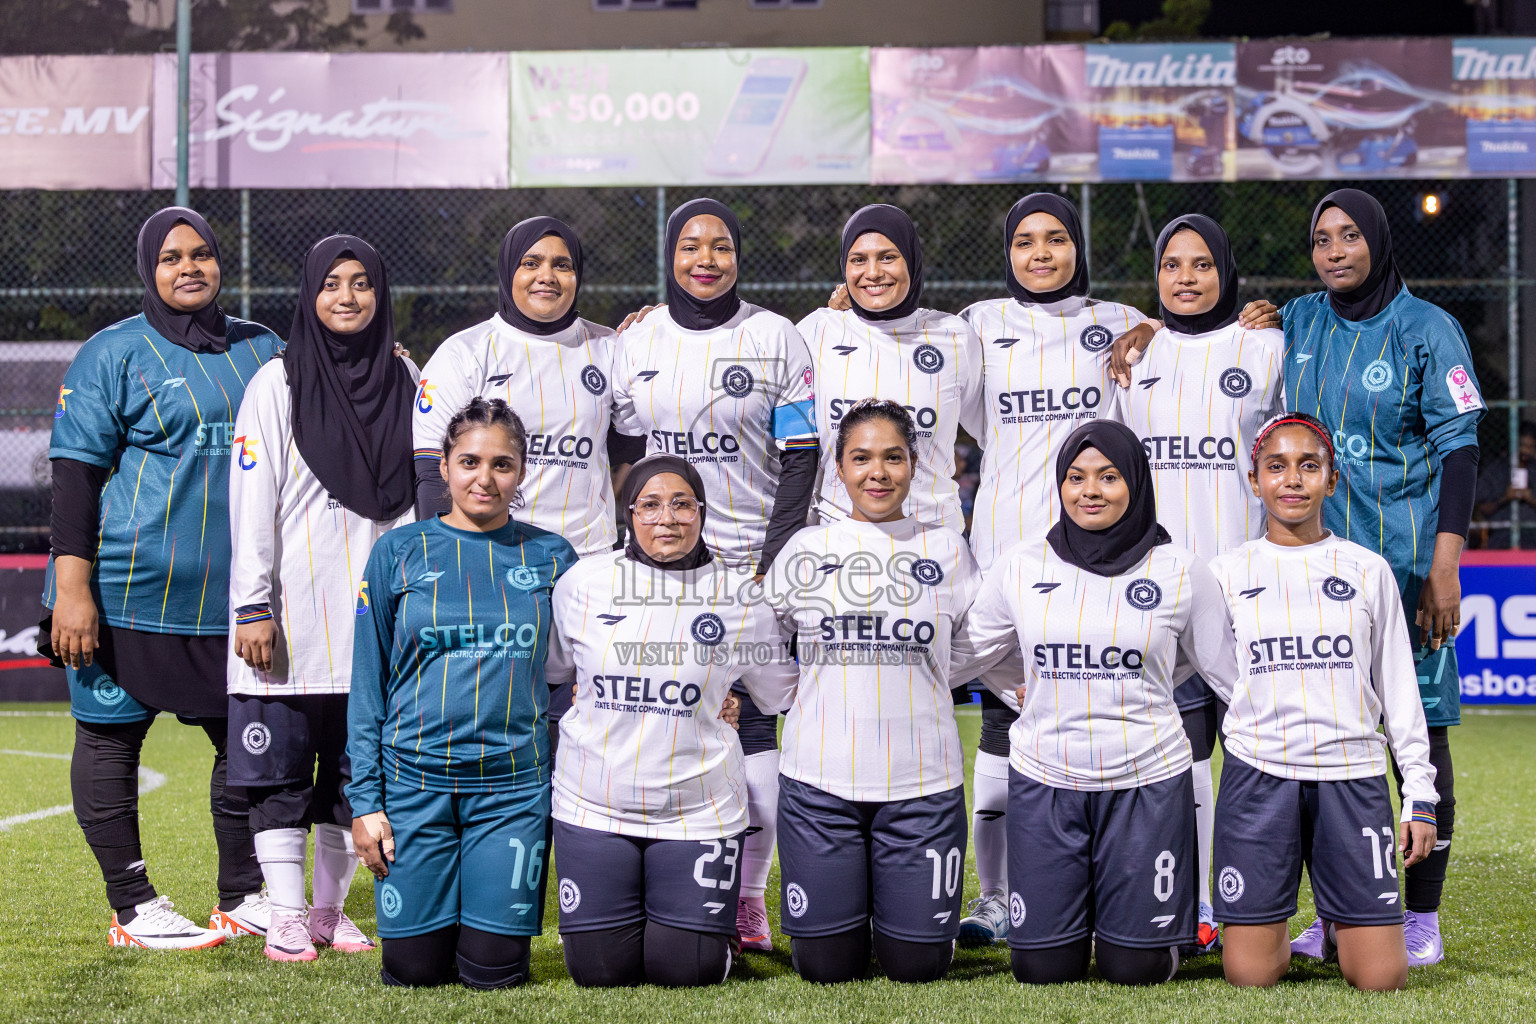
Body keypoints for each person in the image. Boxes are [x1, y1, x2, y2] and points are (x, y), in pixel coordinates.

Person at [1120, 190, 1481, 966]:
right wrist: (1152, 329)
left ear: (1380, 244)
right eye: (1322, 240)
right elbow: (1207, 344)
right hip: (1301, 567)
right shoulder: (1297, 323)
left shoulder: (1429, 330)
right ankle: (1334, 910)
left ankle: (1420, 916)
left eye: (1351, 236)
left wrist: (1447, 560)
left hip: (1407, 564)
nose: (1336, 251)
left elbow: (1461, 447)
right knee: (1315, 740)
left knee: (1417, 728)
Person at [43, 206, 282, 949]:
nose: (189, 267)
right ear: (149, 269)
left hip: (230, 601)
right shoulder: (112, 352)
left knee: (246, 743)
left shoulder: (264, 349)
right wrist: (74, 592)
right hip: (125, 594)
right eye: (172, 256)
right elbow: (76, 481)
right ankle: (134, 906)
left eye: (203, 254)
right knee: (112, 740)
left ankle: (243, 893)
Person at [953, 419, 1238, 986]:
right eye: (1077, 477)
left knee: (1135, 969)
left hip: (1147, 784)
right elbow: (963, 655)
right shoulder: (1023, 565)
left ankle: (1154, 924)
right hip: (1045, 784)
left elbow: (1229, 675)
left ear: (1135, 482)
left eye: (1108, 477)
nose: (1090, 490)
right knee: (1041, 969)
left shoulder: (1180, 570)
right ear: (1059, 485)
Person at [612, 198, 819, 951]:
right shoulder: (636, 340)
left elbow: (802, 457)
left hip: (747, 571)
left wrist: (772, 564)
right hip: (658, 567)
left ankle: (748, 900)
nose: (706, 258)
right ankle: (656, 877)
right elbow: (620, 446)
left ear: (739, 256)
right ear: (670, 256)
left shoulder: (775, 337)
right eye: (691, 245)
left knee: (756, 726)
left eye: (721, 245)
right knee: (668, 713)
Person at [953, 192, 1152, 947]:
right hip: (1005, 560)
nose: (1041, 253)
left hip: (1098, 565)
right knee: (1005, 724)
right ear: (1007, 253)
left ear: (1078, 247)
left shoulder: (1120, 322)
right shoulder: (978, 325)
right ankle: (998, 897)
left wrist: (1157, 326)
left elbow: (1187, 345)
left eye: (1056, 239)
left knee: (1100, 720)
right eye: (1025, 242)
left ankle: (1107, 886)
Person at [226, 235, 417, 962]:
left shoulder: (406, 378)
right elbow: (252, 503)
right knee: (279, 775)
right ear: (308, 296)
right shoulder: (276, 385)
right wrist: (251, 605)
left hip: (372, 622)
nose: (346, 296)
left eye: (362, 283)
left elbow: (418, 505)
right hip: (291, 618)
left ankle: (328, 912)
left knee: (354, 770)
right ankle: (282, 910)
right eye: (332, 283)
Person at [1102, 213, 1286, 955]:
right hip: (1165, 595)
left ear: (1226, 271)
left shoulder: (1266, 344)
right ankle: (1195, 903)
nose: (1186, 278)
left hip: (1248, 592)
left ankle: (1260, 906)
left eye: (1202, 264)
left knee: (1258, 761)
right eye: (1171, 265)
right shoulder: (1130, 359)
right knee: (1178, 761)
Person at [348, 397, 577, 990]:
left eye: (502, 464)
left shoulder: (553, 558)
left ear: (522, 472)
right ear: (444, 465)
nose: (485, 478)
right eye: (470, 461)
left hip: (511, 790)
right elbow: (368, 685)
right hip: (412, 785)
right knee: (413, 970)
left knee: (494, 972)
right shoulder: (397, 551)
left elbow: (587, 668)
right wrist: (366, 803)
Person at [544, 454, 797, 987]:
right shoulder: (584, 583)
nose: (667, 518)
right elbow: (557, 669)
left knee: (687, 970)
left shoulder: (740, 598)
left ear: (702, 512)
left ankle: (714, 930)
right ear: (629, 513)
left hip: (697, 810)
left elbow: (776, 694)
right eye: (651, 505)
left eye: (682, 504)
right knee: (600, 973)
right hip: (593, 805)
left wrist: (725, 698)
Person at [1207, 412, 1439, 991]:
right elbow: (1214, 673)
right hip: (1259, 776)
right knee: (1249, 975)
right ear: (1255, 479)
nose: (1292, 480)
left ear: (1332, 481)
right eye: (1276, 466)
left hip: (1351, 776)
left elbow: (1398, 689)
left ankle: (1344, 921)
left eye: (1309, 466)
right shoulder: (1226, 573)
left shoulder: (1367, 569)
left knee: (1381, 978)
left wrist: (1420, 794)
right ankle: (1282, 923)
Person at [762, 399, 981, 984]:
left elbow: (974, 647)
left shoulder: (948, 551)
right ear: (839, 467)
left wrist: (924, 678)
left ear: (915, 464)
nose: (877, 473)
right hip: (819, 783)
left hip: (923, 783)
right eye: (861, 458)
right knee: (825, 968)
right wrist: (802, 691)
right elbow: (761, 644)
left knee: (918, 966)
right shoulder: (807, 551)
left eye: (893, 458)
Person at [798, 204, 984, 536]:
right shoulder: (816, 331)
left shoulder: (954, 337)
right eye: (858, 260)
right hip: (836, 538)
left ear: (911, 261)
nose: (873, 273)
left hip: (933, 540)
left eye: (887, 257)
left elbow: (991, 430)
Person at [1474, 420, 1536, 549]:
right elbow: (1482, 508)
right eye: (1522, 445)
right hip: (1501, 536)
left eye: (1530, 447)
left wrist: (1531, 498)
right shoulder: (1496, 470)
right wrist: (1505, 497)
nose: (1525, 450)